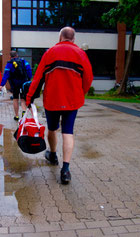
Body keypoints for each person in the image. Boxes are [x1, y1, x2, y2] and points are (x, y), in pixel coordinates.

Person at [26, 27, 93, 184]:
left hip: (52, 100)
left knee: (52, 129)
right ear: (73, 39)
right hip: (72, 101)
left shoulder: (50, 53)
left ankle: (53, 155)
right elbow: (88, 78)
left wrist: (29, 98)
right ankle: (66, 170)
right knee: (68, 132)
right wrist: (80, 93)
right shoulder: (81, 54)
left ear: (60, 37)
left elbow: (37, 79)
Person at [0, 51, 32, 121]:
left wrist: (1, 85)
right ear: (17, 55)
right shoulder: (23, 61)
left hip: (14, 84)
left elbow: (6, 75)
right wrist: (29, 79)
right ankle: (24, 112)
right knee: (23, 99)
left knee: (15, 99)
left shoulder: (9, 64)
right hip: (24, 83)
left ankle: (16, 116)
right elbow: (29, 70)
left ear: (10, 56)